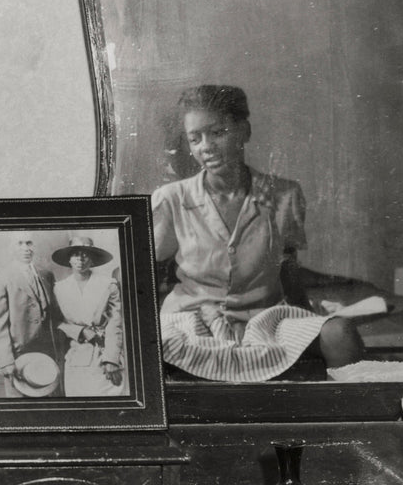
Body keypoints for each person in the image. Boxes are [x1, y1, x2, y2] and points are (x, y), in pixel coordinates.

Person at [153, 84, 364, 381]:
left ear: (244, 131)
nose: (206, 147)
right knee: (148, 350)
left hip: (262, 320)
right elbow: (149, 272)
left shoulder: (284, 195)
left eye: (217, 133)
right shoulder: (172, 198)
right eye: (195, 138)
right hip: (192, 319)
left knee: (340, 333)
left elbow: (288, 269)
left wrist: (311, 321)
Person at [52, 236, 126, 396]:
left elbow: (115, 323)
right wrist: (79, 331)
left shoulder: (108, 284)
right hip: (76, 354)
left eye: (86, 254)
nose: (80, 258)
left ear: (92, 258)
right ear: (69, 259)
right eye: (75, 254)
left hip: (104, 353)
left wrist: (112, 359)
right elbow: (57, 321)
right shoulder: (59, 288)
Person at [0, 230, 61, 397]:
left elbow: (54, 315)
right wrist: (6, 361)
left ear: (35, 246)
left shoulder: (46, 275)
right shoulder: (3, 277)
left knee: (48, 409)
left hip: (47, 355)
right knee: (21, 410)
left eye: (29, 243)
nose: (25, 248)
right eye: (20, 243)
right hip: (18, 358)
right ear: (11, 248)